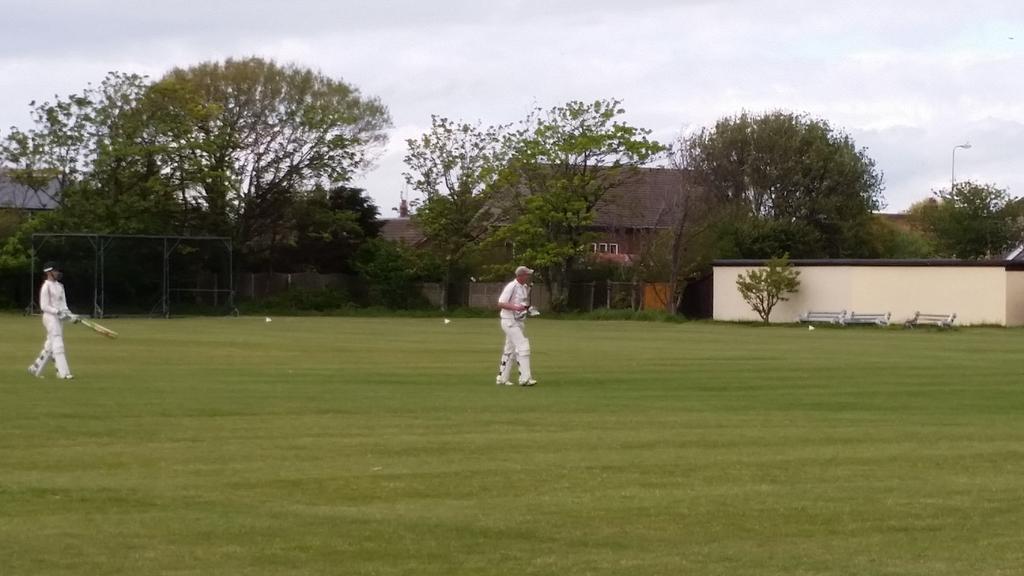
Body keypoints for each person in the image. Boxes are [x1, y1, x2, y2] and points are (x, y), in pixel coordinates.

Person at [28, 262, 78, 380]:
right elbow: (44, 306)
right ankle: (63, 373)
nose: (58, 273)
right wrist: (57, 312)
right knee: (58, 344)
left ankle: (35, 368)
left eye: (58, 270)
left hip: (59, 318)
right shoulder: (46, 287)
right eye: (55, 271)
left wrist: (70, 315)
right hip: (50, 318)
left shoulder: (60, 286)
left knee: (50, 345)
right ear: (49, 272)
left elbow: (63, 305)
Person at [496, 265, 537, 387]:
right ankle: (525, 378)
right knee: (523, 345)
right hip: (509, 321)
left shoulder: (523, 287)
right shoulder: (512, 286)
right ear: (521, 275)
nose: (528, 277)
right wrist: (516, 308)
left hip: (518, 321)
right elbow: (501, 303)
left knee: (509, 350)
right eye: (527, 274)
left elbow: (522, 304)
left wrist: (528, 309)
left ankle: (502, 378)